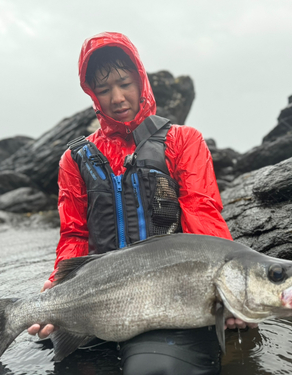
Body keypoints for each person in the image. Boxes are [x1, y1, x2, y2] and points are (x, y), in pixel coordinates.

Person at [28, 31, 254, 374]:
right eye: (104, 90)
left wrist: (229, 293)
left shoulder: (183, 141)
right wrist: (59, 285)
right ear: (92, 95)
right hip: (98, 297)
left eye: (124, 83)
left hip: (169, 297)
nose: (117, 98)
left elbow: (203, 217)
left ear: (141, 80)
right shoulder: (74, 159)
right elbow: (74, 235)